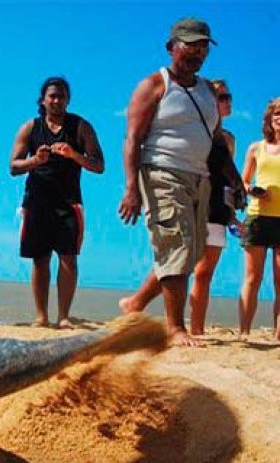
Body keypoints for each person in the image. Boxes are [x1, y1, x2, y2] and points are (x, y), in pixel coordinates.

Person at [117, 18, 239, 347]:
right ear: (172, 47)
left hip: (200, 177)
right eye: (190, 45)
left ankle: (135, 304)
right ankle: (175, 327)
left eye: (203, 47)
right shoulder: (154, 85)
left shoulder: (208, 91)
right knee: (177, 244)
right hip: (161, 172)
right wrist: (131, 188)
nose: (197, 52)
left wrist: (235, 180)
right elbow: (133, 140)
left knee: (191, 251)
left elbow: (215, 143)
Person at [10, 77, 105, 329]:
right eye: (52, 96)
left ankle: (63, 316)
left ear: (68, 99)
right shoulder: (30, 128)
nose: (56, 100)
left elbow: (99, 165)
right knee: (39, 260)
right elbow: (13, 166)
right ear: (43, 100)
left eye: (61, 96)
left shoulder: (80, 127)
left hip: (69, 201)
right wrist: (35, 161)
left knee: (68, 258)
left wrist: (74, 155)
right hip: (37, 200)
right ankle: (41, 317)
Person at [189, 79, 238, 335]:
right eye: (222, 97)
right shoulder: (195, 131)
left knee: (205, 272)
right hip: (195, 204)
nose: (228, 101)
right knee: (181, 268)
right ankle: (176, 326)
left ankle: (197, 329)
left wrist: (232, 215)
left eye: (229, 97)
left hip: (218, 208)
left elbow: (228, 181)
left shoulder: (228, 138)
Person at [238, 97, 280, 341]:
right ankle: (244, 332)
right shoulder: (256, 148)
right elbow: (243, 181)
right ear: (269, 118)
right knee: (252, 278)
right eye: (276, 113)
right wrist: (256, 191)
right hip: (257, 218)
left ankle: (278, 336)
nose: (279, 118)